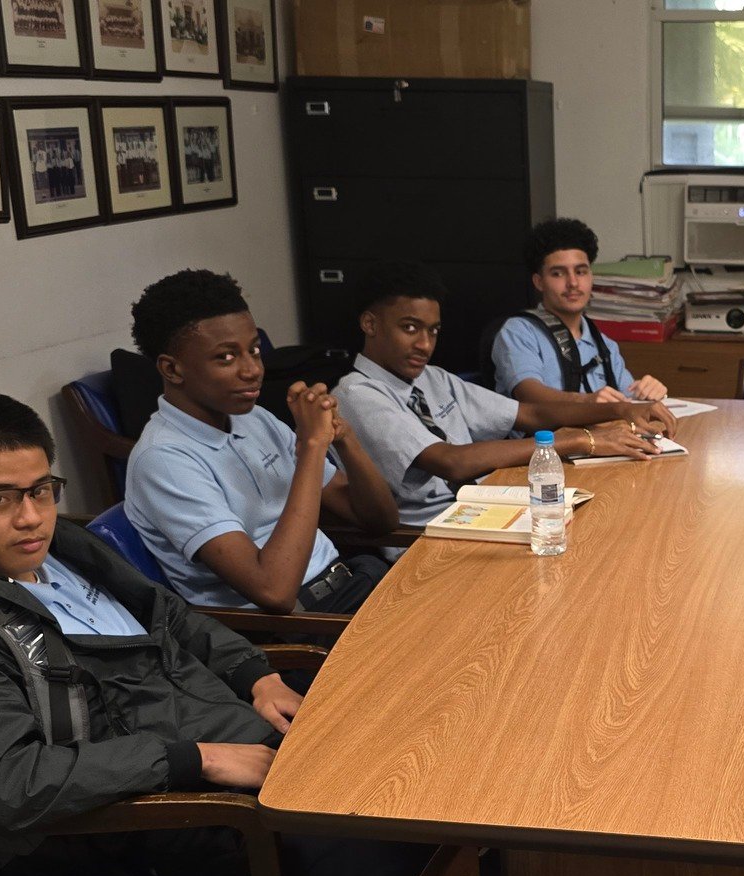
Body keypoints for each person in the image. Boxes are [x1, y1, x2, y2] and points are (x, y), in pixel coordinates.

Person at [0, 391, 430, 876]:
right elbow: (10, 784)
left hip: (228, 735)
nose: (31, 517)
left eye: (41, 490)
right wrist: (195, 759)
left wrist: (257, 676)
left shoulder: (63, 549)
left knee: (414, 763)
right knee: (372, 847)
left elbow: (172, 616)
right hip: (147, 811)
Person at [333, 261, 677, 540]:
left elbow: (529, 414)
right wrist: (582, 440)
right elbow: (450, 462)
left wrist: (620, 409)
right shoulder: (356, 395)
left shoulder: (431, 378)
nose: (425, 344)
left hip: (478, 509)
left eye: (433, 331)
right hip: (427, 534)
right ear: (370, 324)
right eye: (410, 328)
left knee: (610, 523)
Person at [124, 269, 399, 615]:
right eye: (226, 357)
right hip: (300, 626)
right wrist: (312, 447)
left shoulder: (254, 418)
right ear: (172, 369)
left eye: (253, 350)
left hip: (350, 583)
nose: (252, 370)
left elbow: (380, 520)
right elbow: (274, 591)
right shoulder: (164, 459)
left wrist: (343, 438)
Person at [490, 217, 667, 403]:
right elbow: (528, 395)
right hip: (548, 424)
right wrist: (586, 402)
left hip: (603, 424)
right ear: (539, 282)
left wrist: (647, 391)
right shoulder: (519, 332)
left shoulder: (606, 345)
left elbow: (626, 400)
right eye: (558, 273)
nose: (573, 283)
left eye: (580, 272)